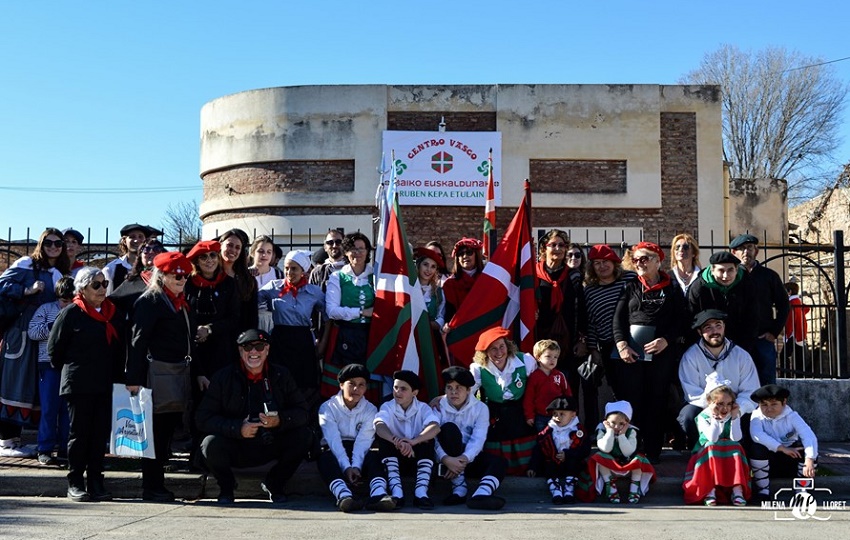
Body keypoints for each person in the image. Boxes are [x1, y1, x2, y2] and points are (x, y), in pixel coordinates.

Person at [196, 329, 311, 505]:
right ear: (240, 351)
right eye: (247, 347)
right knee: (210, 444)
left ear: (267, 350)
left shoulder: (281, 375)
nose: (254, 352)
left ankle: (275, 484)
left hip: (271, 441)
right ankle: (226, 487)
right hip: (236, 444)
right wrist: (237, 428)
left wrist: (280, 420)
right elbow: (203, 418)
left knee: (304, 436)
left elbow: (302, 412)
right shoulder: (223, 377)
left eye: (259, 346)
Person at [48, 267, 125, 502]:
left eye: (105, 284)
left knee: (98, 434)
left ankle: (96, 480)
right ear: (82, 289)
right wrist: (74, 370)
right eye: (96, 285)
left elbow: (119, 350)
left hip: (104, 384)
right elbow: (55, 350)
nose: (103, 289)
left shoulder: (112, 313)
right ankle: (75, 482)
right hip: (79, 383)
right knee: (79, 434)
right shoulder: (71, 313)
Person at [126, 251, 196, 502]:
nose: (181, 279)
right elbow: (137, 341)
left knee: (166, 432)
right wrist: (133, 379)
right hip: (155, 376)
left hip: (175, 373)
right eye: (176, 274)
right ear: (162, 275)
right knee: (153, 433)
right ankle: (152, 486)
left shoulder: (179, 301)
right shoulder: (151, 302)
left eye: (185, 275)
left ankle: (157, 483)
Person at [612, 241, 686, 462]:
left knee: (656, 400)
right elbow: (618, 319)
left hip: (661, 355)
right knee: (633, 400)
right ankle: (630, 448)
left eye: (644, 258)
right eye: (635, 260)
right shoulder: (630, 286)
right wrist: (622, 345)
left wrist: (666, 340)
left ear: (658, 260)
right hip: (632, 356)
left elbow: (682, 320)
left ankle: (653, 450)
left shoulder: (672, 288)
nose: (639, 263)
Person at [0, 227, 70, 457]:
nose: (53, 247)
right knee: (14, 382)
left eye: (58, 243)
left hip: (42, 339)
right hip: (20, 332)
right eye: (48, 242)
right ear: (41, 243)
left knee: (32, 387)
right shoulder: (25, 264)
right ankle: (6, 441)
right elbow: (2, 285)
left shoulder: (57, 273)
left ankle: (17, 439)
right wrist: (25, 290)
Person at [677, 309, 760, 451]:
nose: (714, 331)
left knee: (754, 417)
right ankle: (701, 452)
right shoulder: (690, 357)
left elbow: (751, 390)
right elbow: (692, 393)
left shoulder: (741, 355)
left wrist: (735, 408)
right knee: (688, 415)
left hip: (736, 407)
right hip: (706, 407)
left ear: (724, 328)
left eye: (718, 325)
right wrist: (715, 407)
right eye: (708, 327)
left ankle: (741, 456)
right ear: (699, 332)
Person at [317, 364, 391, 512]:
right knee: (325, 459)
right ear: (341, 385)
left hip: (359, 450)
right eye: (351, 384)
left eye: (361, 385)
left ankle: (379, 495)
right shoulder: (328, 407)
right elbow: (333, 440)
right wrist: (347, 468)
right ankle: (344, 496)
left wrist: (356, 466)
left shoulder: (370, 409)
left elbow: (364, 441)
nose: (356, 389)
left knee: (374, 457)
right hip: (335, 449)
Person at [258, 250, 324, 410]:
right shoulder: (273, 288)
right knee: (278, 379)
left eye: (294, 269)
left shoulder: (314, 292)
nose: (289, 272)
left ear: (303, 271)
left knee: (304, 382)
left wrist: (322, 343)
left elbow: (329, 317)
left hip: (303, 341)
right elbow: (251, 299)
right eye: (287, 268)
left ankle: (303, 416)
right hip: (280, 339)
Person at [434, 366, 507, 510]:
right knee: (449, 429)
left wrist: (463, 459)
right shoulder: (437, 407)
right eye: (449, 387)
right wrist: (445, 459)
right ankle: (459, 488)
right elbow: (433, 438)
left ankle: (481, 494)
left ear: (468, 390)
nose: (453, 392)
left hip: (468, 458)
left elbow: (478, 438)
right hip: (444, 461)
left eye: (458, 388)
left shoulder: (480, 408)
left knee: (500, 462)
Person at [469, 327, 537, 475]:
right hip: (496, 413)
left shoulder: (525, 360)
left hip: (520, 412)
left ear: (508, 345)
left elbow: (538, 386)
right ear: (485, 352)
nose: (499, 353)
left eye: (501, 346)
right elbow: (468, 393)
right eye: (493, 349)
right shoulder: (478, 369)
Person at [372, 370, 440, 509]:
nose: (397, 392)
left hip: (416, 458)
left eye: (403, 389)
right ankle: (397, 493)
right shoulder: (387, 406)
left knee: (427, 441)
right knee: (385, 441)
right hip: (395, 457)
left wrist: (414, 441)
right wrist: (398, 441)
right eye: (396, 387)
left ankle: (421, 493)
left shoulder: (423, 408)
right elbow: (379, 426)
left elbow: (435, 427)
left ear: (414, 392)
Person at [730, 234, 790, 385]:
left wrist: (774, 332)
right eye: (741, 249)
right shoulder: (730, 277)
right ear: (733, 253)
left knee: (767, 382)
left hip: (763, 339)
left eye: (749, 248)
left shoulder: (769, 276)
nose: (745, 252)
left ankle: (768, 409)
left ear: (756, 251)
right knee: (738, 382)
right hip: (738, 340)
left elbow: (784, 305)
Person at [27, 276, 75, 465]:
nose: (67, 305)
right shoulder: (46, 310)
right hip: (48, 366)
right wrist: (53, 326)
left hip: (70, 367)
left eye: (70, 301)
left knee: (67, 410)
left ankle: (65, 448)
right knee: (49, 408)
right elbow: (33, 332)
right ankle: (45, 448)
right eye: (64, 301)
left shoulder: (78, 311)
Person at [322, 232, 374, 397]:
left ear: (367, 252)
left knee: (366, 378)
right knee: (345, 379)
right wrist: (361, 312)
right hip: (345, 334)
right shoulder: (338, 276)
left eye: (361, 248)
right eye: (352, 249)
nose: (357, 253)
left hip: (369, 335)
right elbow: (332, 310)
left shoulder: (376, 277)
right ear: (346, 252)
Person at [682, 385, 751, 506]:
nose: (725, 408)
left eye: (729, 404)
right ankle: (710, 490)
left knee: (736, 446)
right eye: (720, 403)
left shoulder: (733, 415)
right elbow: (712, 438)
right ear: (710, 402)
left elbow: (736, 437)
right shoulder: (703, 417)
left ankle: (737, 490)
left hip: (728, 452)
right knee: (711, 446)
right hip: (707, 453)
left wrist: (734, 417)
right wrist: (715, 418)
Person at [749, 384, 818, 503]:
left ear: (784, 402)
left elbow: (808, 435)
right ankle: (763, 491)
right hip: (769, 463)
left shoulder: (792, 416)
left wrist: (810, 459)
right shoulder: (756, 416)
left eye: (774, 404)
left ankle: (802, 491)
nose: (769, 408)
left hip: (790, 460)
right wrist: (781, 448)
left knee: (805, 451)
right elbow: (757, 435)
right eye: (764, 405)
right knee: (756, 449)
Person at [583, 244, 635, 398]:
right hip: (608, 347)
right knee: (617, 389)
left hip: (633, 342)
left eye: (606, 261)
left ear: (614, 263)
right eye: (597, 263)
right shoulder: (590, 291)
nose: (602, 266)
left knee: (636, 388)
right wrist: (593, 349)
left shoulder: (629, 279)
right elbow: (591, 323)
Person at [582, 400, 655, 504]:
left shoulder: (631, 431)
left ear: (627, 423)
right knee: (599, 457)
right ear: (606, 421)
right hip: (611, 465)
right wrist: (609, 432)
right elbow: (605, 448)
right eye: (613, 423)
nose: (616, 427)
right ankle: (610, 486)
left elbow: (628, 452)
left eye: (621, 424)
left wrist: (622, 435)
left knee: (639, 459)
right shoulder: (602, 430)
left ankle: (635, 486)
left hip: (627, 463)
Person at [686, 251, 758, 355]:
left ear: (736, 270)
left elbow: (752, 317)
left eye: (730, 270)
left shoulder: (747, 284)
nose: (725, 276)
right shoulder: (698, 289)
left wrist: (745, 349)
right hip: (708, 345)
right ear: (712, 270)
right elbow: (691, 319)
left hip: (741, 343)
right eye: (721, 271)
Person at [536, 396, 589, 504]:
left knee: (574, 464)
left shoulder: (579, 430)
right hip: (554, 463)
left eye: (562, 414)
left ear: (573, 414)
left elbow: (585, 450)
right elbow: (539, 448)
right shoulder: (548, 431)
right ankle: (556, 490)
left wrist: (568, 455)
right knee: (548, 466)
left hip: (571, 463)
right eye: (555, 414)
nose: (557, 417)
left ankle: (569, 489)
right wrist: (533, 466)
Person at [523, 339, 571, 433]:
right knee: (543, 440)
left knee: (559, 440)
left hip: (558, 416)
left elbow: (567, 395)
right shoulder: (534, 377)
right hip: (540, 416)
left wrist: (569, 411)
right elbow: (529, 398)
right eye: (548, 356)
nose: (552, 359)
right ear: (538, 357)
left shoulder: (560, 375)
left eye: (555, 357)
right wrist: (529, 416)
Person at [415, 246, 450, 371]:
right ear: (418, 265)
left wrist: (431, 324)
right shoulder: (409, 289)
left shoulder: (438, 292)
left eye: (433, 266)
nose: (428, 270)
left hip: (430, 340)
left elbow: (441, 316)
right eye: (425, 264)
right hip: (411, 338)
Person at [218, 229, 258, 333]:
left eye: (237, 247)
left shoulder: (248, 280)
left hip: (240, 337)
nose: (233, 250)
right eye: (229, 245)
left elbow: (252, 315)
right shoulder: (210, 275)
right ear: (221, 245)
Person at [442, 237, 484, 329]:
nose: (465, 256)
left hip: (483, 327)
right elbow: (448, 313)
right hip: (460, 330)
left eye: (469, 252)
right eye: (461, 254)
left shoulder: (486, 279)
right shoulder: (449, 284)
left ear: (476, 255)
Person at [103, 223, 149, 295]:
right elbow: (106, 298)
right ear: (124, 241)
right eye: (132, 237)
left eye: (140, 237)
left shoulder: (152, 268)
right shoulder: (111, 269)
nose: (136, 240)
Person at [783, 281, 810, 375]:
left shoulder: (791, 303)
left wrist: (787, 333)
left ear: (789, 292)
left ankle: (785, 375)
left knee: (784, 355)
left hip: (793, 334)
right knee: (798, 356)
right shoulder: (798, 302)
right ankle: (799, 375)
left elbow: (791, 319)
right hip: (799, 333)